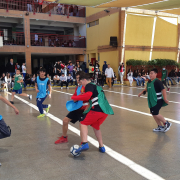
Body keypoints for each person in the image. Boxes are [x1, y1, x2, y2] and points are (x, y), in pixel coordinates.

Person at [71, 73, 114, 154]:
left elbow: (87, 96)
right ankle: (101, 146)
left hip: (97, 110)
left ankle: (84, 143)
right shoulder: (96, 85)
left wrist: (74, 97)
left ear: (84, 80)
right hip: (105, 112)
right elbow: (93, 96)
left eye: (81, 81)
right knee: (96, 126)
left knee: (83, 123)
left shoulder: (88, 85)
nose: (81, 84)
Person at [54, 72, 88, 144]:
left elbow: (87, 98)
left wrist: (79, 97)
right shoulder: (77, 88)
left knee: (82, 126)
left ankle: (83, 143)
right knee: (65, 121)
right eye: (77, 78)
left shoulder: (85, 87)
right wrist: (76, 98)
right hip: (77, 108)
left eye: (79, 78)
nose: (78, 80)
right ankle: (64, 137)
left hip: (83, 109)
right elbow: (75, 99)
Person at [138, 68, 172, 132]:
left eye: (152, 73)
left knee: (155, 113)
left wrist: (165, 99)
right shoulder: (149, 82)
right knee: (153, 113)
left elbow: (163, 90)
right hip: (151, 101)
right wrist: (141, 92)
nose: (150, 75)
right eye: (150, 73)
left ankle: (166, 123)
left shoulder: (157, 81)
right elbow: (147, 89)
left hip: (157, 101)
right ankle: (160, 126)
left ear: (156, 74)